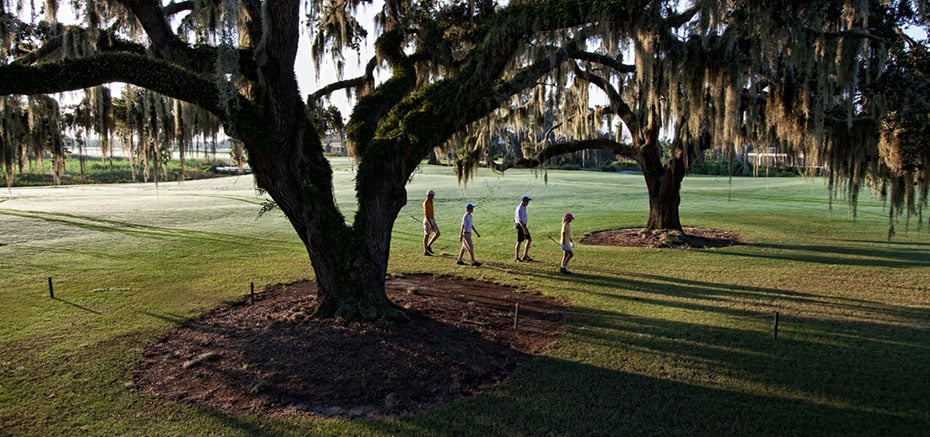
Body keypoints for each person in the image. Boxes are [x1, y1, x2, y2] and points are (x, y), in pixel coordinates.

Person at [514, 195, 533, 261]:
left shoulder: (524, 207)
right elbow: (520, 220)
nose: (528, 203)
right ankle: (516, 258)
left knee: (529, 240)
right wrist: (524, 229)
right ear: (523, 201)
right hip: (520, 226)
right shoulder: (519, 208)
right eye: (527, 201)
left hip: (524, 225)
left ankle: (525, 256)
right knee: (519, 242)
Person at [422, 189, 440, 256]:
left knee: (438, 233)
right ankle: (425, 251)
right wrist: (430, 225)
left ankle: (428, 246)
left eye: (433, 195)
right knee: (427, 235)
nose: (433, 197)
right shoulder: (426, 203)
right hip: (428, 220)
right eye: (432, 195)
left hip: (432, 218)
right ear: (428, 195)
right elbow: (426, 215)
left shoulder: (431, 201)